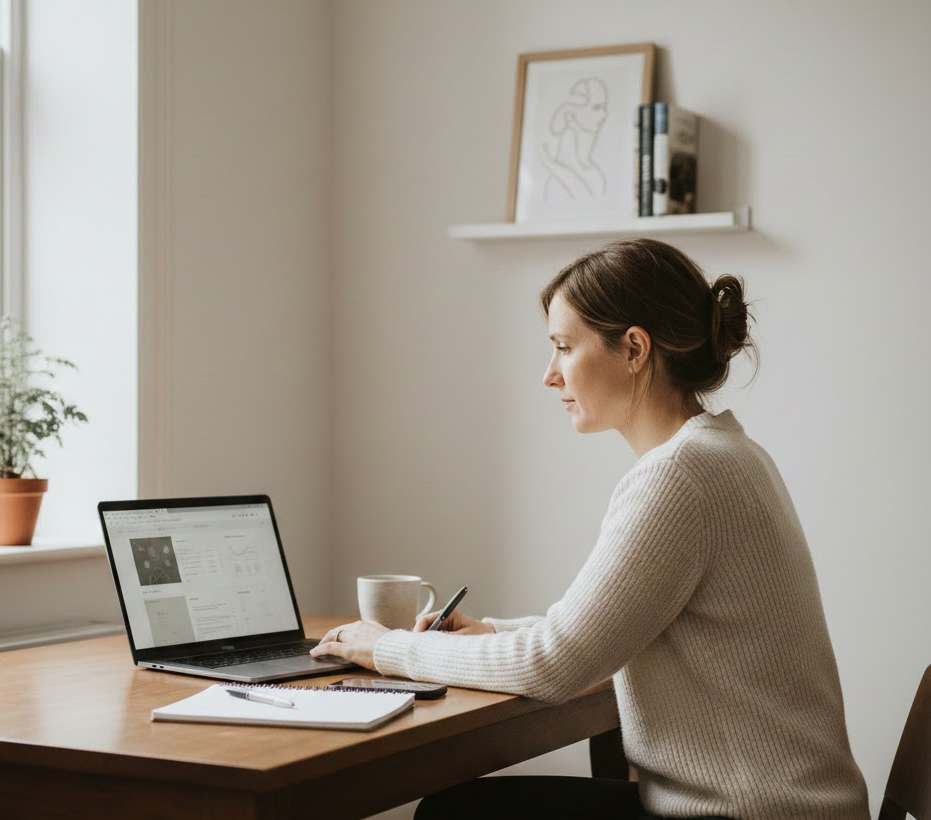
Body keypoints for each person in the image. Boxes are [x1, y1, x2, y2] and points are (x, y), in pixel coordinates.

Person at [311, 239, 870, 820]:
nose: (549, 376)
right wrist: (491, 632)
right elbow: (597, 634)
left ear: (633, 349)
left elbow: (555, 663)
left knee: (456, 813)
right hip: (784, 808)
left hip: (756, 815)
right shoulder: (723, 454)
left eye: (563, 347)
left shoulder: (681, 476)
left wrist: (390, 648)